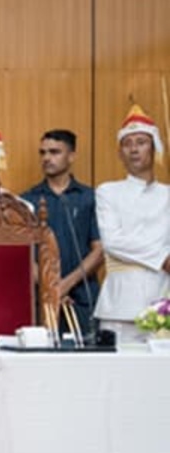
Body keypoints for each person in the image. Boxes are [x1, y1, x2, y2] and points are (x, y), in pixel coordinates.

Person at [94, 104, 170, 343]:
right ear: (120, 153)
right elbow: (113, 242)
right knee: (117, 377)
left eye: (141, 142)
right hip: (119, 303)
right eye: (127, 144)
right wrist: (163, 258)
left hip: (163, 299)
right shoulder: (108, 191)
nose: (134, 149)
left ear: (155, 148)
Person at [21, 130, 103, 338]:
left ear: (72, 156)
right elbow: (23, 254)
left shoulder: (89, 198)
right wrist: (51, 287)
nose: (47, 158)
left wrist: (66, 284)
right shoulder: (27, 200)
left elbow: (99, 250)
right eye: (43, 153)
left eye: (55, 152)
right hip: (41, 298)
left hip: (83, 297)